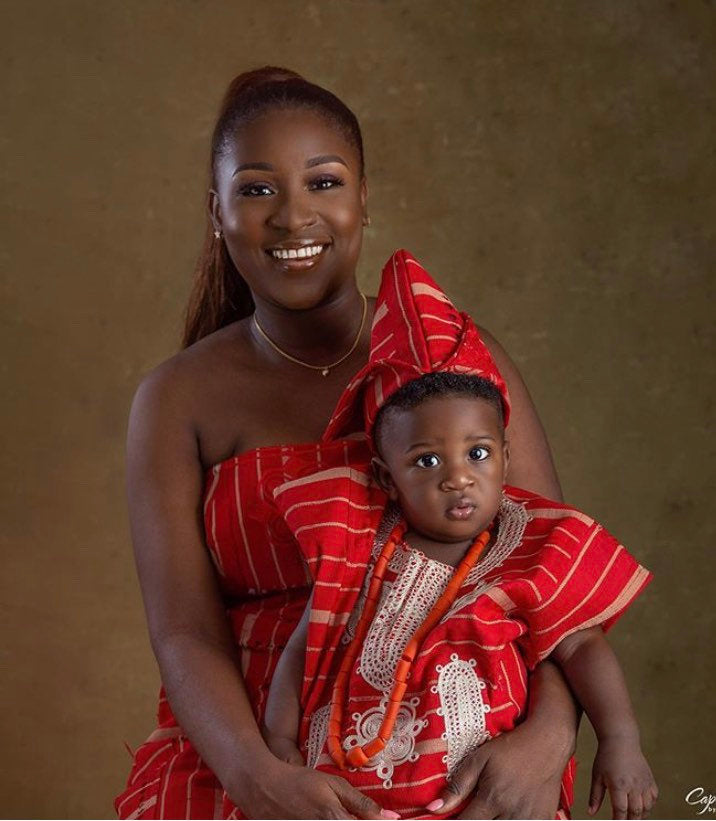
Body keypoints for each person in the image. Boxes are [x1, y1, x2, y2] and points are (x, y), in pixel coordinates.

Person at [116, 67, 582, 820]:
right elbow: (183, 631)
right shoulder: (177, 399)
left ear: (364, 197)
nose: (293, 217)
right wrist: (256, 777)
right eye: (258, 189)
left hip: (467, 753)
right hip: (260, 758)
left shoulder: (458, 360)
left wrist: (550, 736)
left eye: (324, 182)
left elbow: (553, 582)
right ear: (217, 212)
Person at [261, 251, 657, 820]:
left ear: (505, 456)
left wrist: (620, 741)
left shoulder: (531, 551)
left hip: (479, 798)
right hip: (349, 799)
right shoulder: (356, 550)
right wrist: (278, 748)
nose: (457, 477)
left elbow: (583, 647)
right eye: (425, 462)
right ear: (385, 478)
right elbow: (305, 647)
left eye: (478, 453)